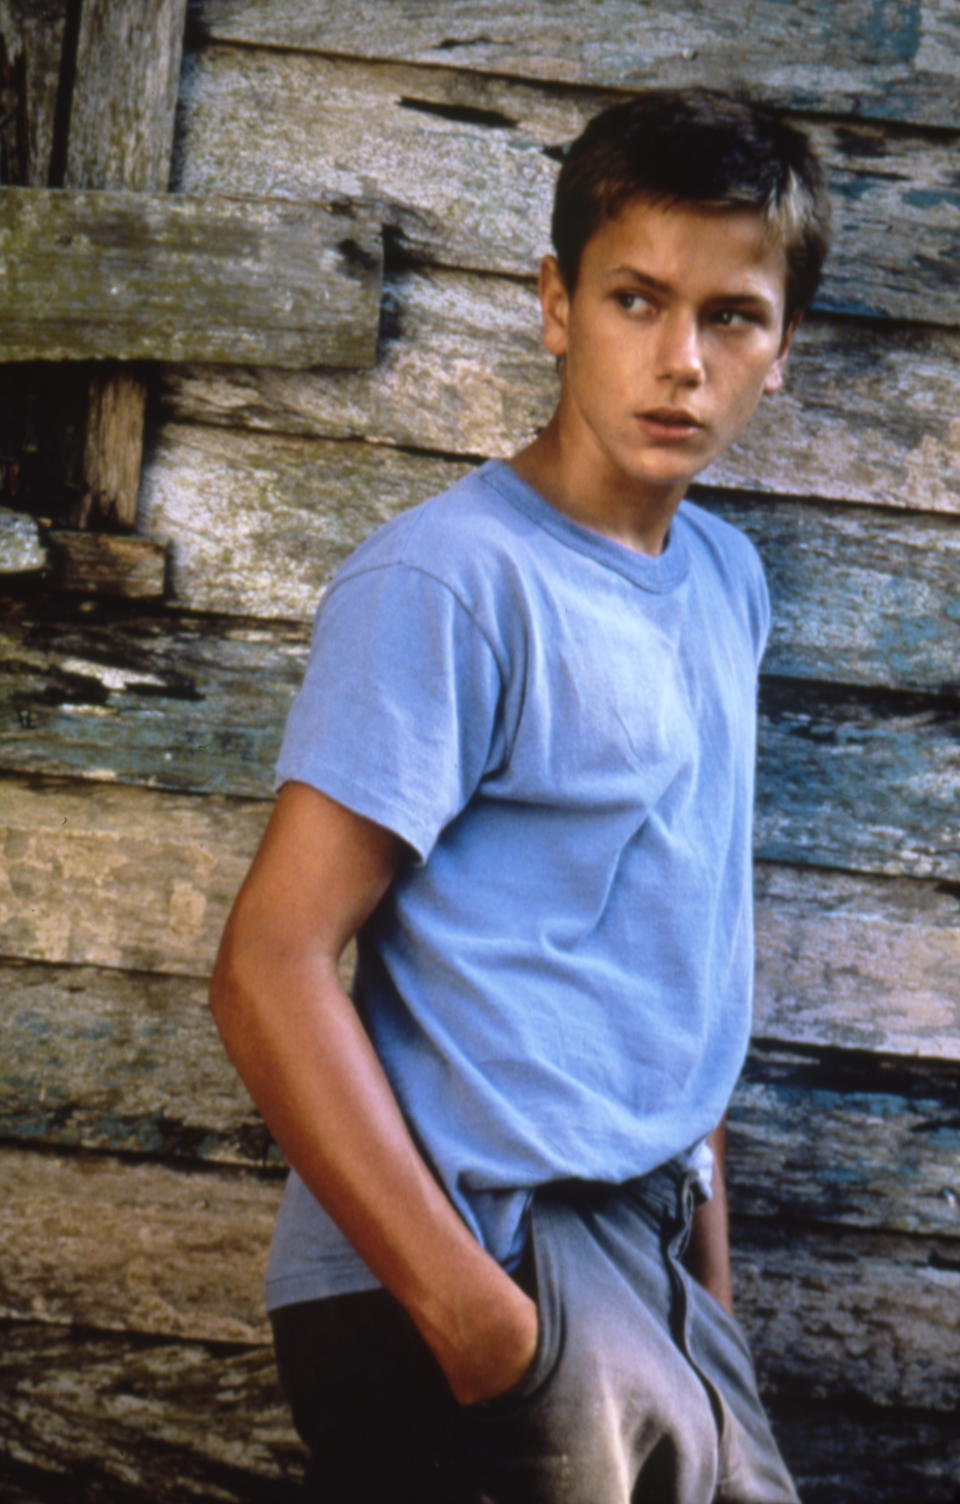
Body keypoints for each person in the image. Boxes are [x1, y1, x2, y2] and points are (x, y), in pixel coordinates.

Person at [209, 88, 832, 1504]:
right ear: (557, 306)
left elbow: (678, 940)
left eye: (732, 315)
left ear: (782, 345)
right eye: (634, 298)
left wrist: (710, 1293)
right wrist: (487, 1333)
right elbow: (267, 966)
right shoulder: (452, 584)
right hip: (467, 1261)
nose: (680, 360)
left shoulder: (727, 584)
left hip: (651, 1266)